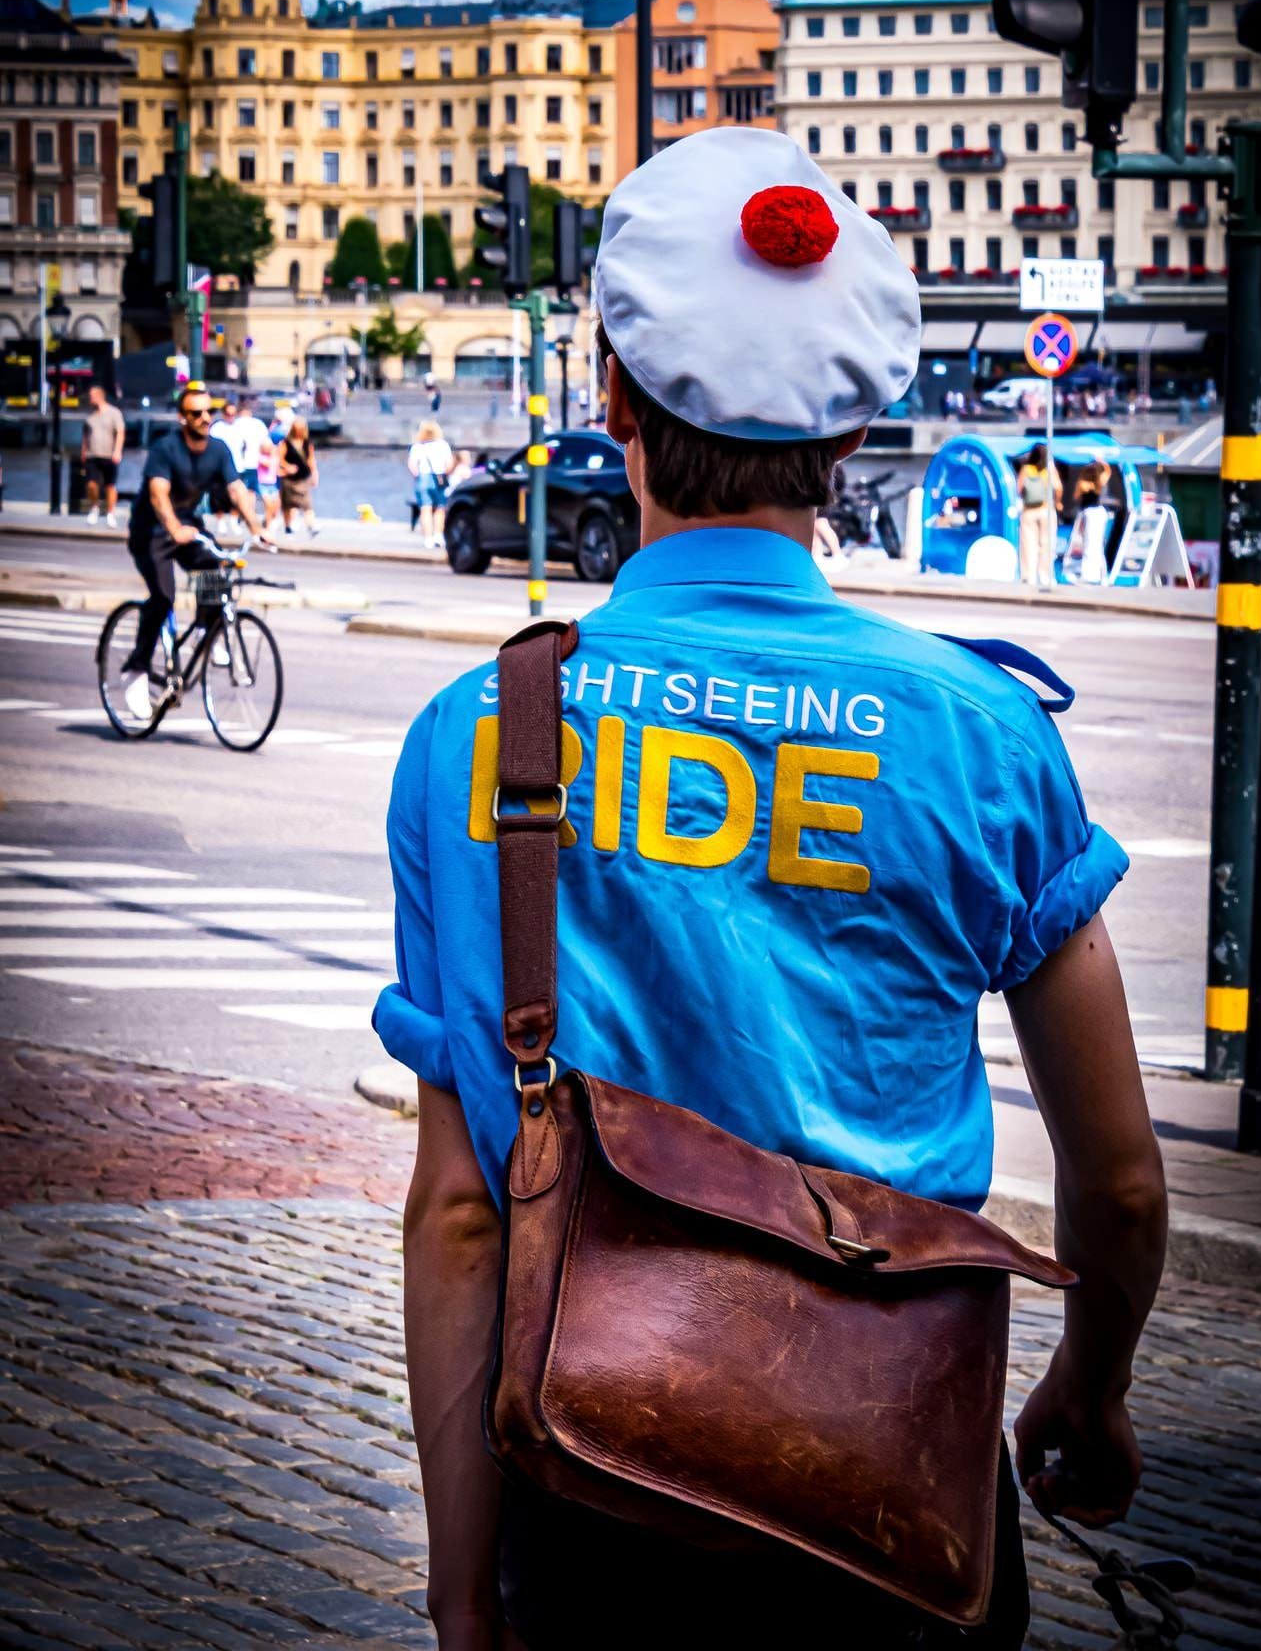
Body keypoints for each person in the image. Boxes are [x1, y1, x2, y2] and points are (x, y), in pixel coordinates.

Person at [378, 129, 1165, 1651]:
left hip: (594, 1484)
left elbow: (463, 1218)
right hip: (894, 1482)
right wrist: (1093, 1383)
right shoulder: (978, 733)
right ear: (854, 434)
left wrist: (465, 1595)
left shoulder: (480, 737)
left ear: (610, 401)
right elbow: (1122, 1185)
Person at [122, 383, 270, 720]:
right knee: (162, 598)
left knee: (215, 568)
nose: (204, 418)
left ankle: (205, 629)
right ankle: (137, 669)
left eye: (209, 412)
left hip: (188, 527)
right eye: (196, 413)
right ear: (182, 417)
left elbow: (236, 490)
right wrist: (173, 527)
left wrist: (256, 528)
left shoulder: (218, 449)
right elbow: (158, 494)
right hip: (152, 532)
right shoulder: (166, 449)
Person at [211, 394, 273, 533]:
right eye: (228, 414)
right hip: (220, 466)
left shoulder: (239, 426)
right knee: (219, 495)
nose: (231, 417)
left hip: (238, 465)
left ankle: (235, 520)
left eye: (233, 414)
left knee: (239, 494)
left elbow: (248, 444)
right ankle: (221, 521)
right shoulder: (217, 427)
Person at [1017, 443, 1062, 588]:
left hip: (1029, 511)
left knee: (1028, 544)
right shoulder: (1049, 469)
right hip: (1046, 510)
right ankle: (1045, 575)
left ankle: (1028, 576)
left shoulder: (1026, 469)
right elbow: (1058, 487)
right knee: (1046, 544)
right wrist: (1058, 502)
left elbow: (1019, 489)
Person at [80, 384, 125, 526]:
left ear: (99, 396)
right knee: (91, 484)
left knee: (110, 486)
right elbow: (86, 436)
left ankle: (110, 513)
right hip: (92, 455)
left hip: (109, 455)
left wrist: (117, 451)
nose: (90, 398)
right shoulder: (90, 417)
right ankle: (95, 507)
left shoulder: (114, 413)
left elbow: (120, 432)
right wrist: (83, 451)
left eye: (92, 396)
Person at [407, 420, 454, 549]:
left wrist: (417, 476)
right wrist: (444, 475)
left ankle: (428, 539)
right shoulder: (443, 445)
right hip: (439, 478)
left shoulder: (417, 446)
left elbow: (412, 466)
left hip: (423, 478)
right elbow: (449, 465)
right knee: (440, 508)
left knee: (425, 509)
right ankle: (438, 536)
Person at [278, 416, 319, 537]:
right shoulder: (285, 443)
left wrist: (315, 474)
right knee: (290, 504)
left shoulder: (307, 443)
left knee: (306, 504)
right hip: (289, 479)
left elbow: (311, 460)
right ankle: (288, 526)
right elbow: (279, 459)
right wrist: (287, 467)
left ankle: (311, 525)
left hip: (303, 478)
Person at [1073, 481, 1112, 587]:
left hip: (1090, 513)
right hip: (1100, 512)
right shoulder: (1101, 482)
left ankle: (1089, 576)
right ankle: (1102, 576)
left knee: (1089, 545)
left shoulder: (1084, 484)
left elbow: (1076, 496)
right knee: (1098, 546)